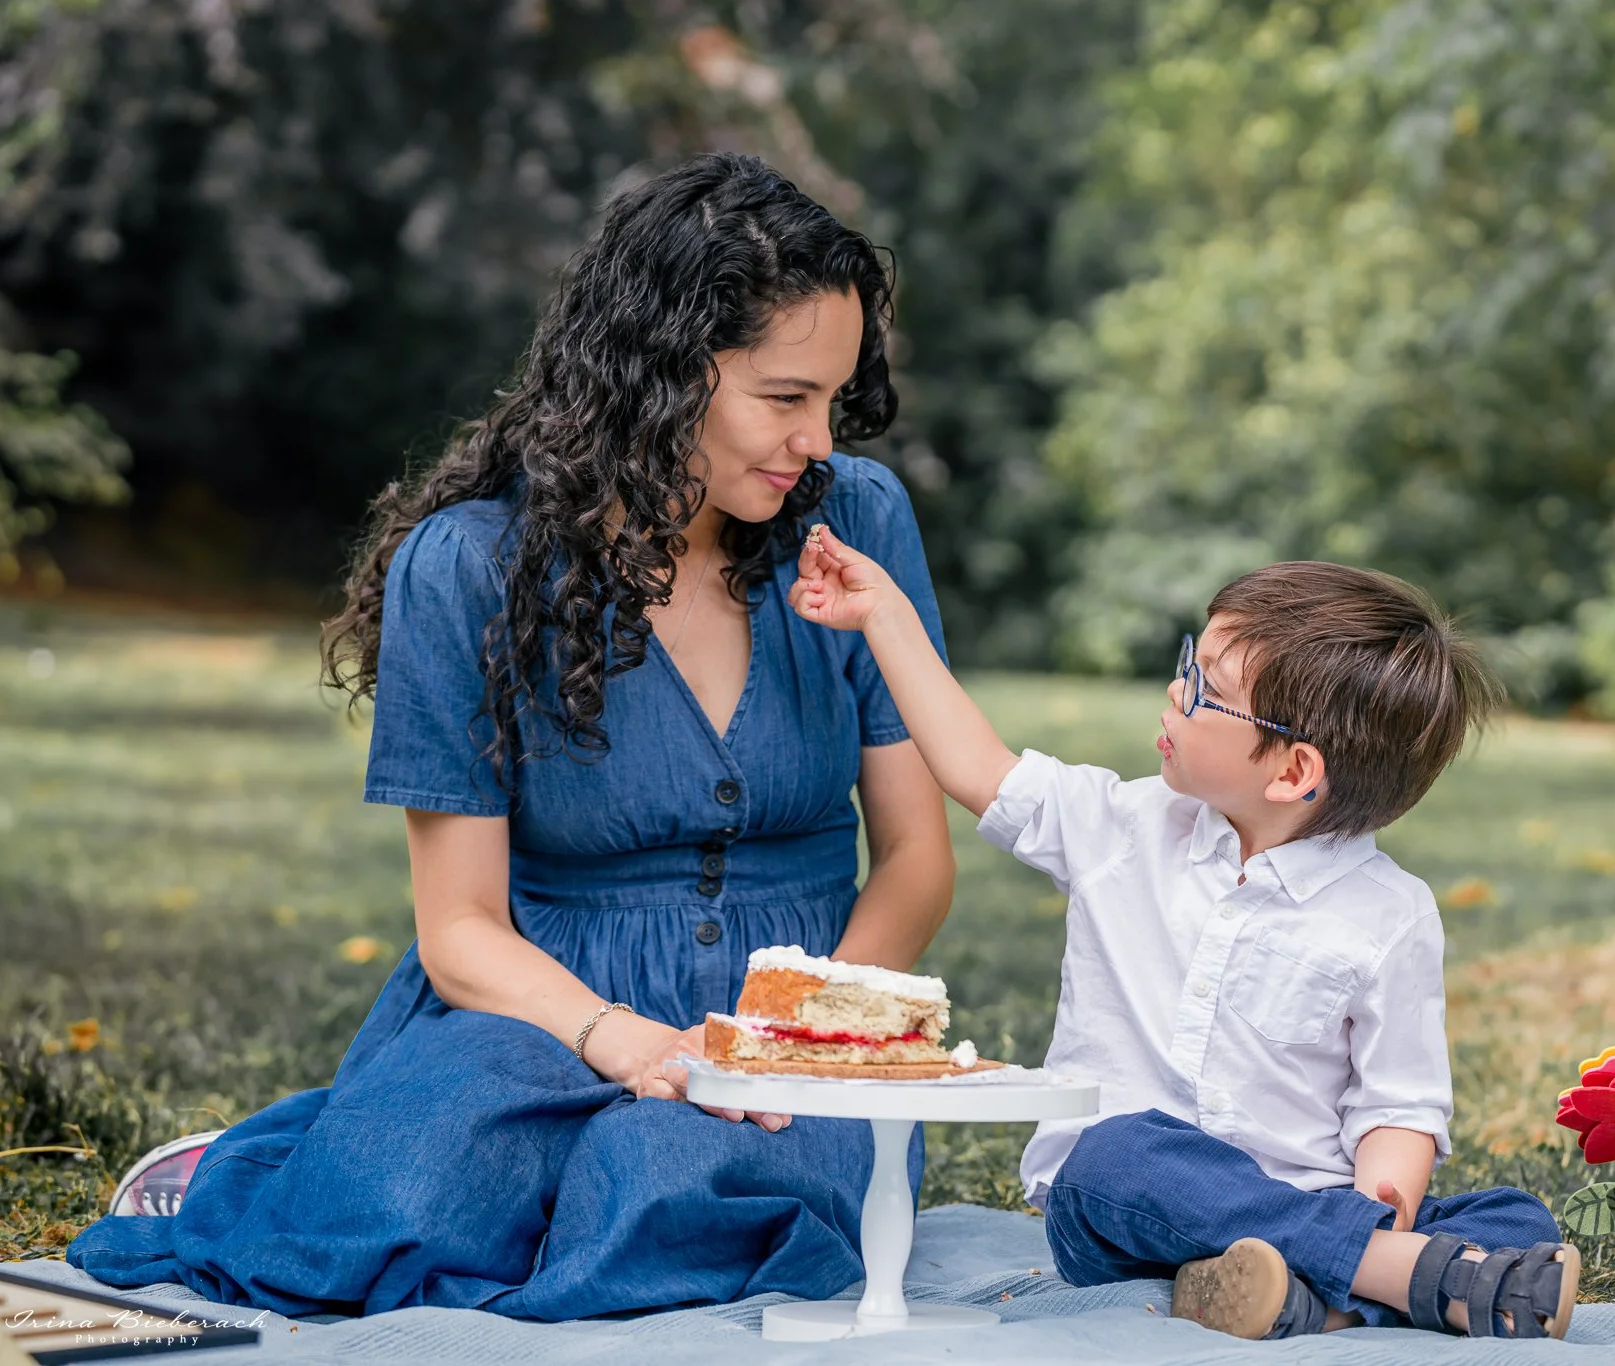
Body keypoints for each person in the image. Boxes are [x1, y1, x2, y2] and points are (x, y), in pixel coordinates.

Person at [64, 152, 958, 1320]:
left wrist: (782, 1043)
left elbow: (915, 857)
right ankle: (270, 1163)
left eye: (833, 402)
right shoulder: (471, 568)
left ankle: (497, 1177)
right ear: (659, 376)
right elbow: (459, 931)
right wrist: (622, 1041)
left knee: (666, 1190)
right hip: (538, 1011)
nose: (818, 443)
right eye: (784, 399)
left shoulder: (859, 522)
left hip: (789, 1045)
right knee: (412, 1198)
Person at [787, 528, 1581, 1340]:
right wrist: (883, 613)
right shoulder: (1122, 828)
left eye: (1203, 690)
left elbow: (1398, 1106)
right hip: (1120, 1211)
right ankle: (1382, 1280)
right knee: (1115, 1152)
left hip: (1305, 1201)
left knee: (1517, 1217)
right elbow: (976, 767)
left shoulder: (1391, 913)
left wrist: (1384, 1207)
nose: (1173, 695)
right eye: (1185, 668)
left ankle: (1312, 1296)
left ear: (1294, 772)